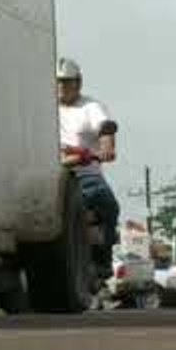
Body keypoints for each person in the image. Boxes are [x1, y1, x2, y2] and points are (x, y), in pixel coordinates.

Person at [57, 57, 121, 285]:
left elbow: (105, 127)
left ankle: (102, 257)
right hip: (51, 176)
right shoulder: (41, 109)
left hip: (85, 175)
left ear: (78, 82)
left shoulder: (90, 107)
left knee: (108, 204)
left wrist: (107, 147)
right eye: (58, 82)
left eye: (67, 81)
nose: (62, 86)